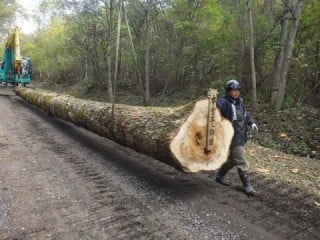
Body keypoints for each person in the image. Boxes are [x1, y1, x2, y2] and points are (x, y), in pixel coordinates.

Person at [215, 79, 258, 195]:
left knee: (233, 160)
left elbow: (245, 115)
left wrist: (251, 122)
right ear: (228, 91)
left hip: (241, 135)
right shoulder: (222, 103)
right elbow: (214, 117)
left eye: (238, 90)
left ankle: (219, 176)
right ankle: (247, 186)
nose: (236, 92)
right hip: (230, 138)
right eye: (233, 90)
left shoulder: (240, 102)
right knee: (242, 161)